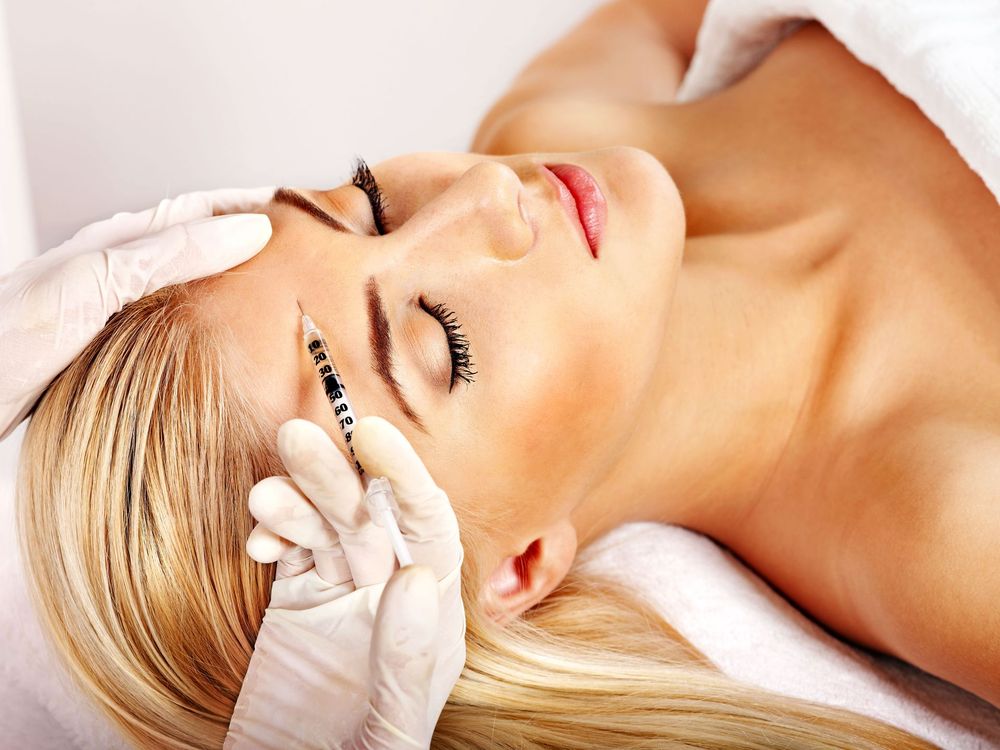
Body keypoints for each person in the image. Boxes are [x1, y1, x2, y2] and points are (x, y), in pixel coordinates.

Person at [8, 0, 1000, 747]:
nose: (483, 191)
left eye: (365, 206)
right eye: (440, 343)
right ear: (516, 568)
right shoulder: (949, 530)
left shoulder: (547, 126)